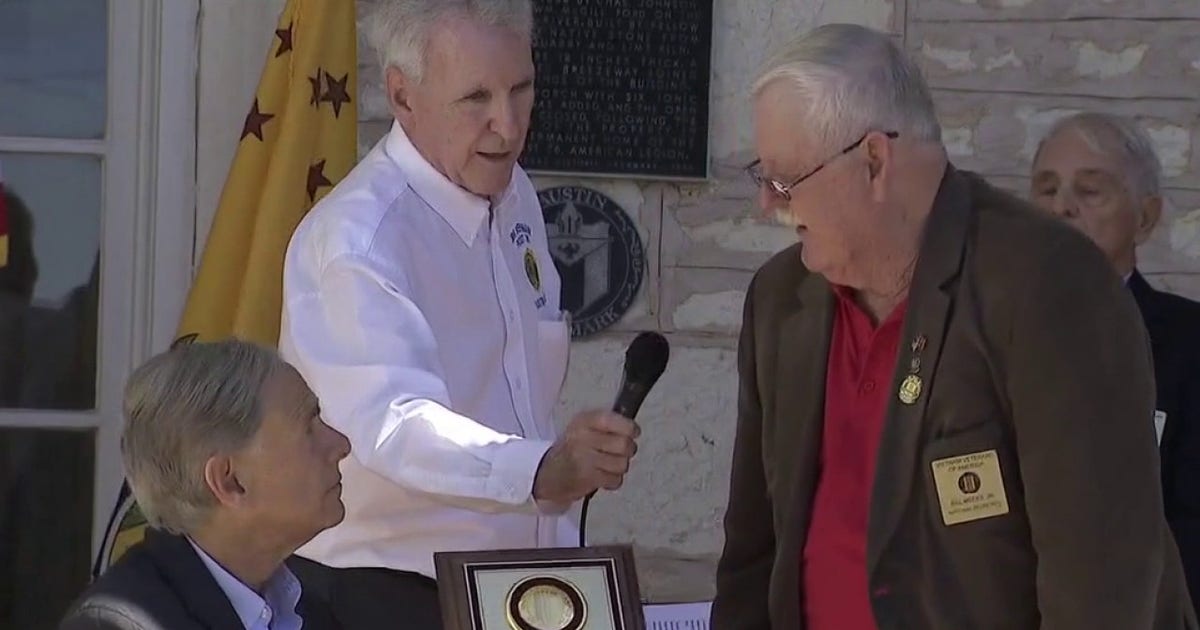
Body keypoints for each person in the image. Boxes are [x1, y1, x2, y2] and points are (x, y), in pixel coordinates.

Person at [712, 23, 1197, 629]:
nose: (768, 204)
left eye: (786, 180)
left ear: (873, 161)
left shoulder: (1047, 283)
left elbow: (1102, 585)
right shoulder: (782, 299)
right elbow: (752, 556)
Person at [277, 1, 640, 627]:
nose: (508, 124)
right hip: (383, 597)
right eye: (476, 98)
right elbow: (395, 424)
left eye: (521, 89)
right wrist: (538, 471)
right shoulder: (359, 241)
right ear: (403, 96)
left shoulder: (514, 194)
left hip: (509, 586)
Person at [59, 340, 350, 630]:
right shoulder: (118, 624)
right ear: (230, 481)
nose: (341, 445)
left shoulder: (306, 611)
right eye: (309, 429)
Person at [1031, 111, 1200, 607]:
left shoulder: (1190, 345)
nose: (1061, 207)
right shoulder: (985, 335)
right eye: (1046, 189)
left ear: (1145, 218)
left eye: (1089, 191)